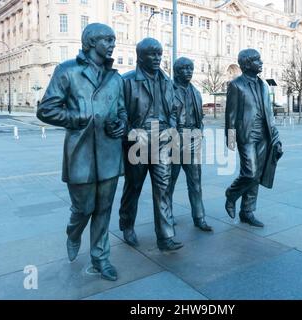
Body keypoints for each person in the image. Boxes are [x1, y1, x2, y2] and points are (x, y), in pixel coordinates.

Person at [37, 23, 127, 281]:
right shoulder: (67, 71)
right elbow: (46, 109)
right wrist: (76, 117)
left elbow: (122, 111)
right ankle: (73, 232)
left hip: (109, 153)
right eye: (107, 40)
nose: (112, 44)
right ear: (90, 42)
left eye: (113, 39)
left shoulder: (115, 78)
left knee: (104, 209)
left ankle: (101, 258)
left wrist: (121, 123)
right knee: (84, 208)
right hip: (81, 153)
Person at [118, 38, 183, 252]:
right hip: (138, 139)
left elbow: (173, 109)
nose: (157, 58)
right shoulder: (127, 81)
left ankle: (165, 237)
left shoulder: (167, 81)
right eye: (152, 54)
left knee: (163, 188)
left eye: (159, 54)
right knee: (133, 186)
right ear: (140, 56)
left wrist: (172, 127)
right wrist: (129, 134)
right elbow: (120, 112)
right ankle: (127, 225)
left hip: (163, 139)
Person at [225, 49, 283, 227]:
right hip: (246, 135)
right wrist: (231, 139)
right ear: (247, 64)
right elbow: (231, 115)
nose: (261, 62)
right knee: (249, 173)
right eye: (257, 60)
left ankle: (247, 211)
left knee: (257, 175)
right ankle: (231, 195)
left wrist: (276, 136)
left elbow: (269, 113)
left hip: (264, 135)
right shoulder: (236, 85)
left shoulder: (263, 85)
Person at [169, 57, 212, 232]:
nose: (188, 71)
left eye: (190, 68)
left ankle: (199, 217)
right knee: (168, 183)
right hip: (173, 140)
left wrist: (199, 132)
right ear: (176, 71)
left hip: (192, 139)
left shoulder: (196, 92)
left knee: (195, 182)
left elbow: (199, 117)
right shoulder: (168, 89)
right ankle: (167, 215)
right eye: (185, 68)